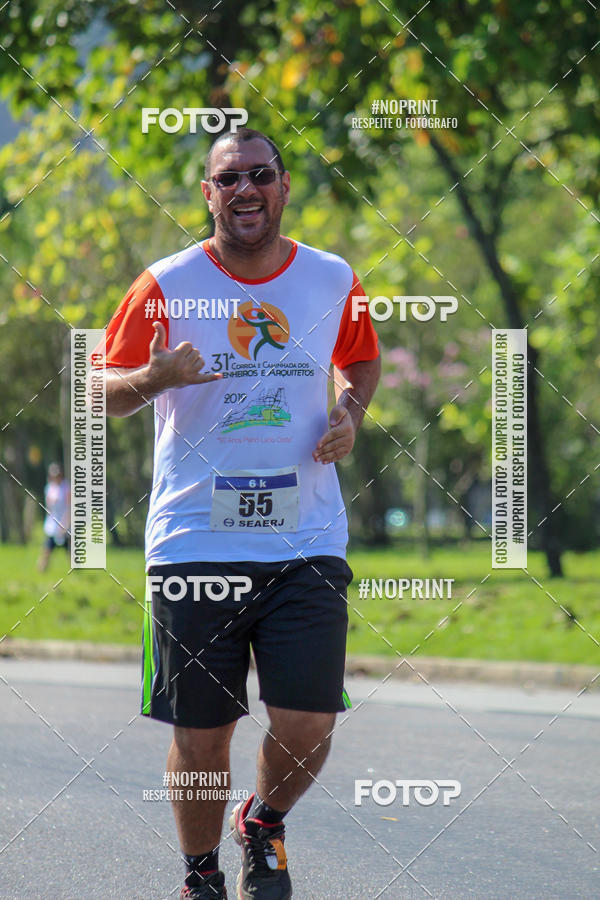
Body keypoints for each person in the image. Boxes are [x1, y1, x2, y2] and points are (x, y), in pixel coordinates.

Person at [99, 127, 380, 899]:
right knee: (201, 736)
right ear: (208, 194)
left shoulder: (330, 277)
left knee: (309, 723)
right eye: (229, 180)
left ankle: (261, 821)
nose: (245, 190)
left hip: (307, 540)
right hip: (196, 541)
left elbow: (360, 357)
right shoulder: (165, 281)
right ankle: (200, 878)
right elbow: (100, 388)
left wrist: (350, 410)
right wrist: (154, 376)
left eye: (260, 175)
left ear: (285, 186)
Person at [37, 462, 70, 572]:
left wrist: (65, 524)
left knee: (71, 554)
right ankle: (41, 572)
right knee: (46, 552)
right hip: (52, 526)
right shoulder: (49, 488)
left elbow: (69, 508)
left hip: (64, 526)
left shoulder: (66, 488)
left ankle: (78, 577)